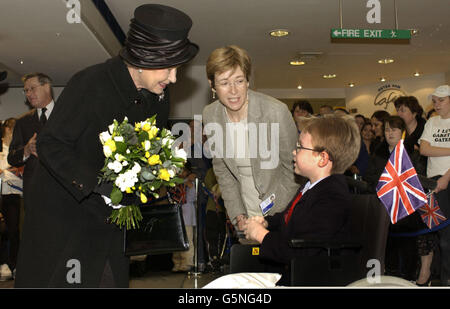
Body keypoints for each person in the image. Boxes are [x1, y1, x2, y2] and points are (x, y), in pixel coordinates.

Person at [14, 4, 198, 288]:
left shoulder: (159, 96)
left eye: (178, 69)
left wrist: (143, 184)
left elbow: (151, 151)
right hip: (67, 217)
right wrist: (100, 186)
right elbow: (51, 144)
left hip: (111, 224)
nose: (173, 78)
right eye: (169, 68)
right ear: (142, 59)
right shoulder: (90, 83)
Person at [243, 116, 361, 285]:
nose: (294, 151)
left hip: (314, 279)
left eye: (299, 147)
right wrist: (266, 222)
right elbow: (288, 218)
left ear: (322, 159)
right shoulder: (311, 187)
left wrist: (261, 235)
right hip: (296, 273)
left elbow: (303, 250)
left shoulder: (332, 197)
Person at [202, 45, 300, 235]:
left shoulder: (275, 111)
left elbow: (294, 171)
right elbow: (223, 171)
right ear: (212, 84)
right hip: (245, 218)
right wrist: (238, 215)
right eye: (224, 83)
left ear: (247, 80)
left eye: (239, 81)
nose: (233, 91)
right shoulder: (210, 114)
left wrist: (269, 217)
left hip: (281, 212)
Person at [364, 116, 426, 281]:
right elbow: (369, 177)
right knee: (387, 247)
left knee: (408, 248)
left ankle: (410, 278)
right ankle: (390, 278)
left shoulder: (411, 151)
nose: (390, 133)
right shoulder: (378, 152)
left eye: (394, 129)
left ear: (402, 132)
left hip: (406, 208)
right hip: (384, 207)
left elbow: (418, 178)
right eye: (387, 130)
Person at [7, 73, 54, 209]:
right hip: (34, 193)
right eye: (26, 90)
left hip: (62, 191)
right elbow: (12, 158)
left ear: (46, 87)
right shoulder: (22, 122)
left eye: (32, 88)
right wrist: (26, 150)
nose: (28, 93)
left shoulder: (65, 116)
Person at [419, 85, 450, 286]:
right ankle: (439, 275)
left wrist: (447, 177)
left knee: (447, 236)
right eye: (435, 101)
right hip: (433, 182)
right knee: (437, 233)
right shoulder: (431, 121)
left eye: (441, 100)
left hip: (445, 180)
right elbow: (424, 149)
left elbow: (431, 148)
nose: (436, 104)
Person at [0, 118, 22, 280]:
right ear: (7, 129)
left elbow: (20, 169)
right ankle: (3, 263)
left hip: (13, 195)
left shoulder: (16, 150)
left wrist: (11, 171)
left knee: (13, 230)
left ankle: (13, 264)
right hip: (0, 193)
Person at [172, 163, 196, 273]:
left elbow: (193, 197)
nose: (181, 172)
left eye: (183, 170)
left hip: (187, 213)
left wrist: (187, 181)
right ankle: (177, 263)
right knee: (176, 239)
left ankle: (187, 263)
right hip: (176, 212)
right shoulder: (174, 183)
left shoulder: (191, 183)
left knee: (187, 239)